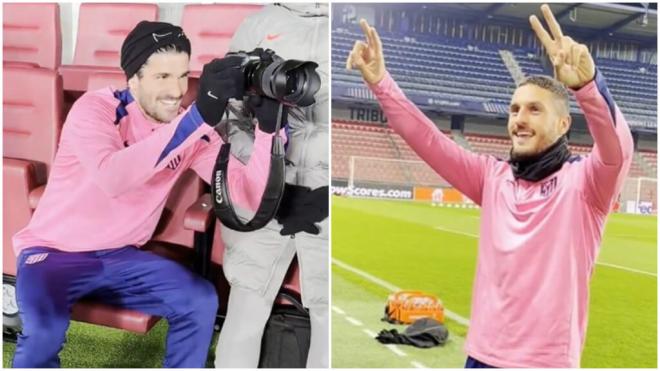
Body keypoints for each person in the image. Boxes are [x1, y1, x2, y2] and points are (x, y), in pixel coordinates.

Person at [346, 4, 633, 368]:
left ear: (563, 125)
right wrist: (380, 83)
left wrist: (588, 88)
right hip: (481, 358)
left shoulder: (586, 184)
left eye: (533, 109)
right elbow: (428, 140)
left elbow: (618, 152)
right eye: (514, 110)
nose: (519, 120)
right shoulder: (493, 177)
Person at [11, 20, 280, 368]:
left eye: (182, 75)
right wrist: (196, 118)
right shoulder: (97, 109)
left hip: (120, 258)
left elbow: (248, 196)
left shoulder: (192, 129)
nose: (176, 90)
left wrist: (268, 130)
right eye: (162, 77)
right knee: (44, 330)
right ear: (133, 78)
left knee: (198, 299)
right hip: (53, 254)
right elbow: (114, 176)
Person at [213, 3, 329, 368]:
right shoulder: (257, 24)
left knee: (329, 313)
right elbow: (231, 117)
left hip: (329, 197)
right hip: (265, 189)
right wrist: (267, 174)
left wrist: (329, 188)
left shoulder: (356, 28)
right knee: (246, 301)